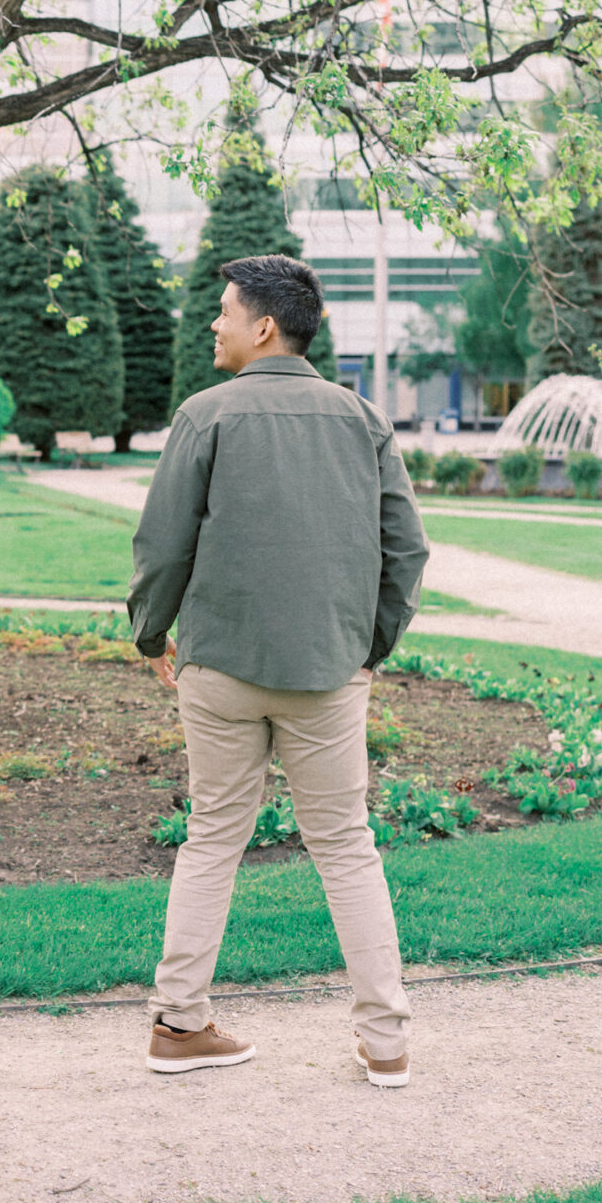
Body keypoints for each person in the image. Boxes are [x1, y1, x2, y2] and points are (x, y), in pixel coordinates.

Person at [126, 255, 428, 1088]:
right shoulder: (361, 419)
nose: (214, 324)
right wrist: (372, 645)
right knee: (346, 846)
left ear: (264, 325)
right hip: (326, 673)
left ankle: (179, 1022)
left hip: (219, 665)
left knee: (214, 836)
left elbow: (162, 545)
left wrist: (152, 635)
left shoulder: (204, 416)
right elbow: (406, 547)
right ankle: (387, 1041)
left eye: (225, 311)